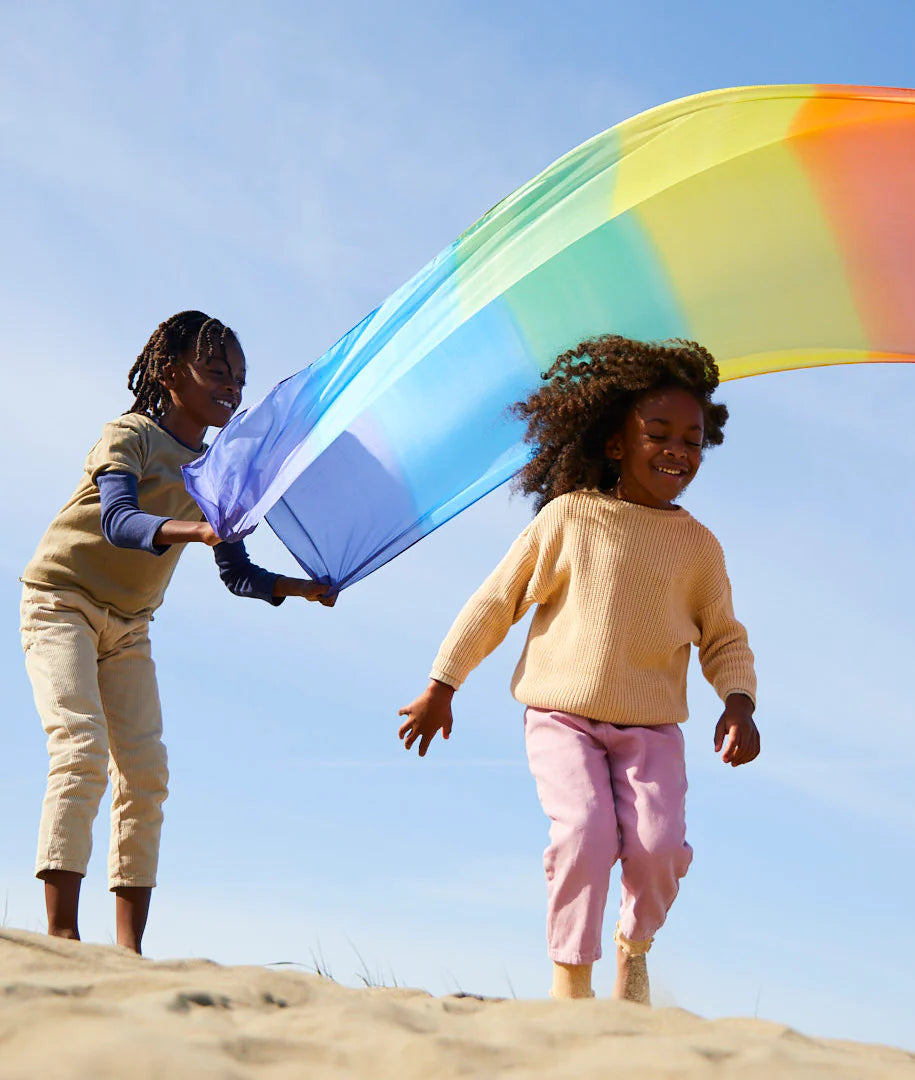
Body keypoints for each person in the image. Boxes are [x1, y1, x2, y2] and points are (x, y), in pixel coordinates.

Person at [397, 334, 759, 1004]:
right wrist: (442, 683)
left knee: (656, 851)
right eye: (659, 433)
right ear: (617, 442)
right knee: (585, 833)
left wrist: (738, 701)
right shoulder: (571, 518)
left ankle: (634, 946)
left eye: (692, 438)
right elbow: (496, 602)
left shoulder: (699, 547)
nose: (678, 449)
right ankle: (572, 983)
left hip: (652, 730)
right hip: (562, 718)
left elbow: (724, 636)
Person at [20, 310, 333, 954]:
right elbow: (118, 520)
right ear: (169, 375)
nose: (232, 387)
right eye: (216, 371)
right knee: (80, 748)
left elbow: (236, 573)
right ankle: (61, 937)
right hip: (61, 602)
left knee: (146, 772)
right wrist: (194, 529)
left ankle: (129, 950)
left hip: (129, 628)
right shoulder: (130, 434)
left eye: (240, 378)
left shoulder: (219, 469)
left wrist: (301, 587)